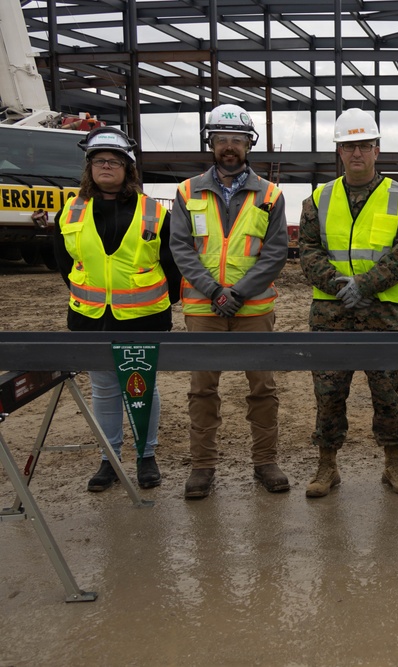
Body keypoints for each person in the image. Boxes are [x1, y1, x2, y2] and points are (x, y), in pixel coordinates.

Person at [170, 103, 289, 499]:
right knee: (202, 390)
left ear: (249, 144)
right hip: (204, 309)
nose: (229, 146)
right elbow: (182, 248)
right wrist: (214, 291)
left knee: (263, 389)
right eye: (222, 139)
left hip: (253, 309)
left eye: (237, 139)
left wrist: (238, 292)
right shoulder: (187, 191)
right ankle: (202, 467)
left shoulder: (270, 194)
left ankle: (266, 461)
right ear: (211, 143)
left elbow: (275, 252)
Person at [299, 108, 398, 498]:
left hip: (384, 314)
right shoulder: (318, 198)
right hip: (330, 315)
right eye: (349, 146)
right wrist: (340, 286)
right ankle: (327, 466)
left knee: (388, 394)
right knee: (328, 394)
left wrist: (364, 286)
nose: (356, 153)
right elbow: (308, 252)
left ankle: (393, 463)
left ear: (376, 150)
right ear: (339, 150)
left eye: (364, 145)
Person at [53, 127, 180, 492]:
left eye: (114, 161)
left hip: (144, 319)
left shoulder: (154, 212)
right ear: (89, 167)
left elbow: (172, 265)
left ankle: (146, 456)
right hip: (90, 319)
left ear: (128, 168)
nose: (106, 166)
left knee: (142, 388)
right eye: (99, 161)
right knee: (104, 390)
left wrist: (158, 303)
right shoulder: (71, 211)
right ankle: (108, 459)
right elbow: (65, 264)